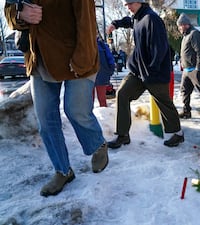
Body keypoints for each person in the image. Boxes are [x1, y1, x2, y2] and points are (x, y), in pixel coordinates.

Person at [4, 0, 109, 197]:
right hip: (38, 58)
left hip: (77, 54)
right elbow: (9, 9)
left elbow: (87, 21)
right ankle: (63, 170)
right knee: (46, 120)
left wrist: (82, 61)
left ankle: (97, 144)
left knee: (76, 110)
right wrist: (20, 14)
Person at [106, 0, 184, 149]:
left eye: (130, 3)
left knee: (164, 102)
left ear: (140, 2)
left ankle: (177, 134)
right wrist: (115, 24)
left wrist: (152, 70)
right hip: (138, 71)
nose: (127, 7)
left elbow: (160, 48)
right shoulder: (137, 18)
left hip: (154, 73)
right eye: (125, 4)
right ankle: (122, 135)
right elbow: (129, 21)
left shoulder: (151, 19)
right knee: (122, 93)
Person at [94, 36, 115, 107]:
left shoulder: (102, 45)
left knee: (101, 98)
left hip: (101, 74)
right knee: (89, 100)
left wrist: (110, 70)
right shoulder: (102, 45)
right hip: (93, 74)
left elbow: (110, 58)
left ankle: (103, 114)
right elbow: (110, 59)